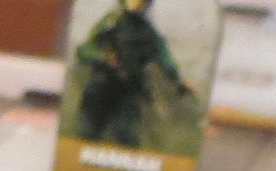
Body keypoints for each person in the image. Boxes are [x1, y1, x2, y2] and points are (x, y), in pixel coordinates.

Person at [67, 0, 196, 150]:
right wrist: (103, 57)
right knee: (85, 135)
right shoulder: (110, 23)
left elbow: (164, 59)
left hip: (129, 92)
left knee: (128, 140)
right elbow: (84, 51)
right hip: (101, 88)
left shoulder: (147, 32)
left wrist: (178, 81)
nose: (138, 4)